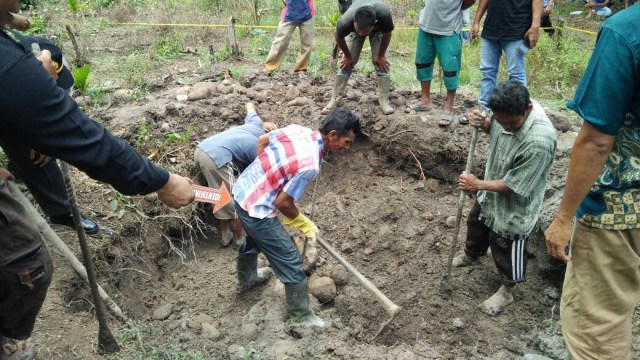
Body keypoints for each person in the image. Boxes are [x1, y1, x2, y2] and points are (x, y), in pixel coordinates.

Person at [0, 0, 195, 357]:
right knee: (27, 265)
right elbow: (87, 140)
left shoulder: (17, 45)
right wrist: (162, 181)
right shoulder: (9, 65)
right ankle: (9, 341)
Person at [544, 5, 639, 359]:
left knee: (599, 325)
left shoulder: (625, 31)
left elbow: (597, 138)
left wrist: (564, 216)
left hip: (621, 210)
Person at [232, 107, 361, 327]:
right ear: (332, 135)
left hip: (242, 191)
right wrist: (303, 222)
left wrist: (265, 172)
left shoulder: (296, 130)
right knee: (292, 264)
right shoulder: (309, 163)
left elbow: (263, 139)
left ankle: (248, 279)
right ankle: (302, 318)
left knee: (253, 239)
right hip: (258, 210)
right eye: (346, 142)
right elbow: (282, 203)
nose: (347, 148)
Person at [453, 80, 557, 316]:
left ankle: (507, 290)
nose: (505, 127)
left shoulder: (540, 141)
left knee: (506, 244)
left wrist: (477, 184)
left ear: (527, 109)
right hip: (491, 189)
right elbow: (497, 127)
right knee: (476, 222)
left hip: (515, 205)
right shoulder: (505, 113)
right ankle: (472, 255)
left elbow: (514, 185)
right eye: (501, 121)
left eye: (511, 123)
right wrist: (485, 124)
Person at [2, 32, 100, 234]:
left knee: (33, 150)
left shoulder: (28, 52)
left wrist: (45, 137)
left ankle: (60, 211)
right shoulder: (9, 80)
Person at [194, 103, 277, 247]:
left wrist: (262, 120)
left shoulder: (255, 123)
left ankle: (225, 235)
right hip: (218, 159)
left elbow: (249, 105)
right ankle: (239, 238)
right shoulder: (258, 149)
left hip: (201, 150)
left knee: (221, 195)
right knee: (237, 198)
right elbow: (259, 180)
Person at [322, 0, 395, 115]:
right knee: (346, 64)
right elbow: (338, 36)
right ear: (354, 22)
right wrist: (347, 56)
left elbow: (387, 34)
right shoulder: (346, 20)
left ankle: (384, 102)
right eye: (359, 30)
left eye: (364, 31)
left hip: (378, 31)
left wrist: (380, 56)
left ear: (374, 23)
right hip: (353, 31)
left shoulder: (383, 14)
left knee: (382, 64)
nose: (361, 34)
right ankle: (334, 100)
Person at [410, 0, 475, 127]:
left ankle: (448, 107)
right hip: (426, 24)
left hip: (448, 27)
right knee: (423, 63)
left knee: (450, 69)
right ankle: (425, 101)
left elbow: (470, 1)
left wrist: (452, 7)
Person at [470, 0, 542, 112]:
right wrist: (476, 21)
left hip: (517, 29)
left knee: (515, 75)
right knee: (487, 72)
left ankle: (518, 112)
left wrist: (535, 26)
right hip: (491, 28)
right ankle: (484, 110)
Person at [263, 0, 315, 78]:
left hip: (307, 13)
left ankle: (301, 70)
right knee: (280, 42)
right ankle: (269, 68)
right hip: (289, 13)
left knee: (307, 44)